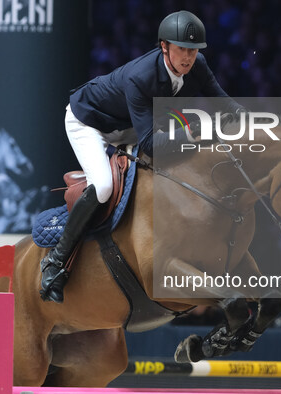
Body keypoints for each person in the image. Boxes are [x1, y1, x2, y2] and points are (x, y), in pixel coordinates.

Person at [39, 10, 245, 303]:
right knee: (105, 186)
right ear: (164, 46)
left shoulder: (196, 64)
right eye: (182, 49)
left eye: (193, 50)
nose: (188, 57)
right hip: (90, 122)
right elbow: (149, 144)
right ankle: (56, 262)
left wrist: (250, 120)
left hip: (132, 125)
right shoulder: (141, 76)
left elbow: (221, 99)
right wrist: (196, 130)